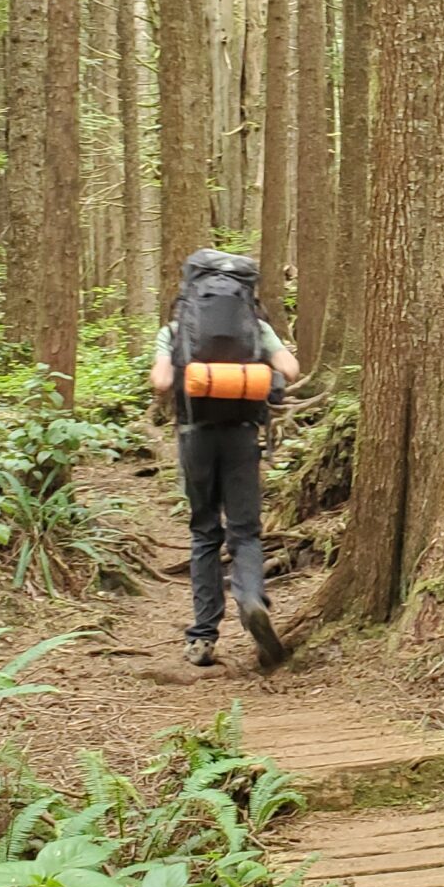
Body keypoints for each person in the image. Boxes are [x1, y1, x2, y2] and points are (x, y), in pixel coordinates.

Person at [150, 252, 301, 668]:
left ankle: (202, 637)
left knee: (203, 532)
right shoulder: (256, 326)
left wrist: (187, 374)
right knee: (246, 532)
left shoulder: (177, 328)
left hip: (195, 436)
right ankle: (251, 598)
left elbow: (161, 380)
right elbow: (290, 368)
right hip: (242, 435)